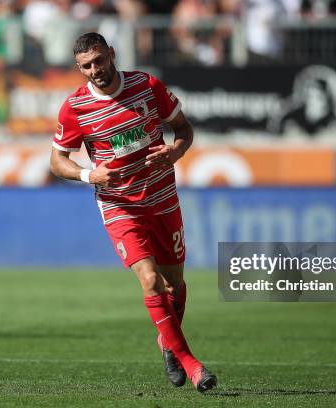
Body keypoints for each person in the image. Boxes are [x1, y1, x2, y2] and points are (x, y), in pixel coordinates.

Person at [49, 32, 217, 393]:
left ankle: (166, 343)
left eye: (98, 61)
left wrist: (175, 152)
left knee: (175, 284)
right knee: (150, 279)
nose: (95, 70)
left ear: (111, 53)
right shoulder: (76, 107)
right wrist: (87, 174)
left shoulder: (147, 85)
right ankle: (192, 364)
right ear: (79, 69)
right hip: (120, 205)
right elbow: (56, 162)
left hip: (162, 198)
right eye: (86, 66)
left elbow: (184, 129)